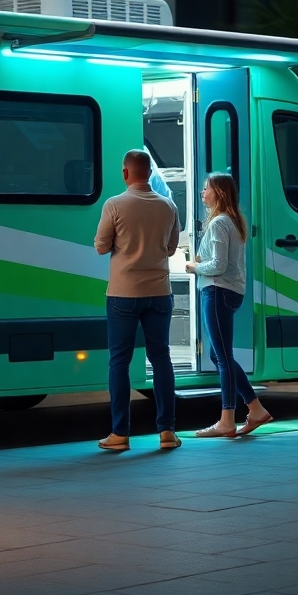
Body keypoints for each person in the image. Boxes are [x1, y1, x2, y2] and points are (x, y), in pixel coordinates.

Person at [94, 149, 181, 451]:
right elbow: (171, 248)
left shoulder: (114, 205)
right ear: (149, 173)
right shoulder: (168, 206)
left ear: (126, 173)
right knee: (161, 360)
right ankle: (167, 432)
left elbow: (101, 247)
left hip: (123, 294)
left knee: (119, 362)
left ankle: (120, 434)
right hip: (159, 293)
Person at [186, 174, 272, 438]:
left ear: (219, 194)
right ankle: (255, 409)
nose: (202, 193)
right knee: (219, 355)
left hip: (217, 291)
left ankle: (227, 419)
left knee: (221, 357)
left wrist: (194, 266)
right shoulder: (233, 221)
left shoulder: (219, 223)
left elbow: (218, 266)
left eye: (206, 189)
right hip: (229, 292)